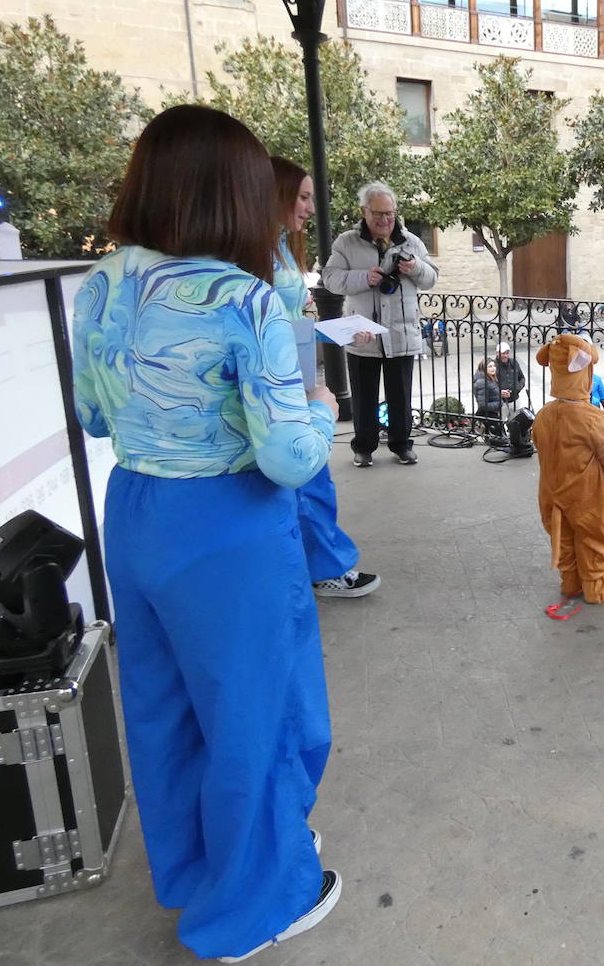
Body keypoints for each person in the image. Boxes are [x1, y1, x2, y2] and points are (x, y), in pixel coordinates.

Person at [70, 105, 341, 962]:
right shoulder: (244, 299)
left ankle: (193, 872)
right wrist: (324, 411)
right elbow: (290, 456)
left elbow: (90, 413)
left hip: (137, 509)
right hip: (226, 521)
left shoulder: (101, 281)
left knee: (162, 706)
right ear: (232, 191)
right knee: (253, 710)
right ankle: (253, 905)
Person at [269, 156, 378, 599]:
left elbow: (286, 320)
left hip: (296, 378)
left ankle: (323, 564)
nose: (310, 209)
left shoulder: (276, 248)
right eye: (303, 197)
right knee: (307, 476)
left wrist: (324, 327)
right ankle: (327, 568)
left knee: (311, 480)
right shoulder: (257, 256)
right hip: (287, 388)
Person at [323, 180, 437, 467]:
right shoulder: (346, 243)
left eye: (390, 213)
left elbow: (432, 279)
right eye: (378, 214)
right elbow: (330, 279)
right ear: (364, 212)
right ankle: (364, 447)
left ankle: (402, 445)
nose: (385, 220)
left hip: (401, 334)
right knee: (364, 398)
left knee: (401, 395)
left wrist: (415, 268)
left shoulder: (412, 242)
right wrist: (364, 278)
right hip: (364, 336)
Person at [532, 333, 604, 603]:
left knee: (564, 536)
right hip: (584, 494)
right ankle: (596, 585)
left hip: (550, 492)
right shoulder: (592, 417)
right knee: (596, 535)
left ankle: (570, 582)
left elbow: (539, 442)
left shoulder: (544, 415)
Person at [473, 357, 504, 442]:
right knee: (496, 440)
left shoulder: (490, 378)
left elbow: (489, 394)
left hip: (491, 414)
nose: (493, 368)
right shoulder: (483, 382)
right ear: (484, 368)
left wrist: (500, 394)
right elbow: (483, 404)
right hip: (488, 415)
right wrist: (499, 403)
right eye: (489, 366)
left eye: (494, 366)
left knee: (497, 439)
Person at [495, 341, 526, 419]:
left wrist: (517, 388)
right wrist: (499, 392)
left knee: (516, 424)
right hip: (501, 403)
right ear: (497, 353)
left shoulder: (514, 362)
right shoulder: (493, 366)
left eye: (507, 353)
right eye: (503, 353)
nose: (505, 355)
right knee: (499, 425)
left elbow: (522, 378)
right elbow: (488, 385)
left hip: (516, 400)